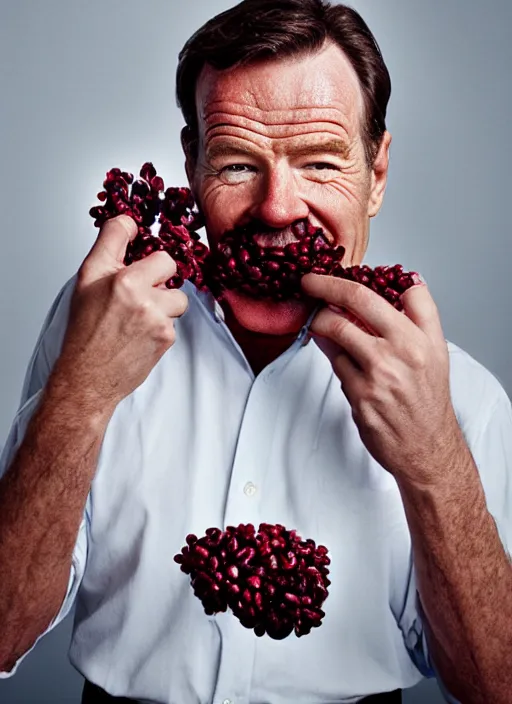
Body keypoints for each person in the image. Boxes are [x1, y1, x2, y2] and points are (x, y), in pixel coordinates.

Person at [0, 0, 511, 702]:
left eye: (322, 162)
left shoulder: (465, 397)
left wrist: (436, 465)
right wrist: (81, 396)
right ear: (193, 162)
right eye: (238, 164)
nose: (277, 208)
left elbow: (496, 687)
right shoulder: (94, 327)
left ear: (378, 173)